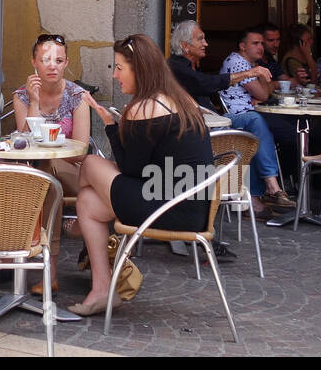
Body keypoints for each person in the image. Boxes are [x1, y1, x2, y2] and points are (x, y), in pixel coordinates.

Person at [68, 34, 215, 316]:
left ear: (139, 69)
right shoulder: (178, 98)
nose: (115, 75)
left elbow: (130, 170)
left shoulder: (145, 107)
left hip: (167, 206)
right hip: (190, 206)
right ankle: (102, 289)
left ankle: (77, 230)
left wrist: (111, 126)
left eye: (119, 67)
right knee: (87, 200)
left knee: (87, 163)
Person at [11, 33, 116, 291]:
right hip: (37, 173)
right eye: (45, 59)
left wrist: (49, 151)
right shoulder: (22, 96)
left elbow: (81, 148)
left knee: (49, 173)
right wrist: (34, 102)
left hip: (74, 171)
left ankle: (50, 271)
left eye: (58, 60)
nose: (52, 65)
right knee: (46, 177)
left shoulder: (77, 95)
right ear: (33, 61)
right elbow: (23, 142)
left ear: (66, 63)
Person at [167, 20, 295, 218]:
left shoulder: (188, 66)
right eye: (200, 39)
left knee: (253, 125)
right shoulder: (177, 67)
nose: (206, 43)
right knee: (251, 129)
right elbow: (207, 83)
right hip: (200, 130)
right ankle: (259, 194)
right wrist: (251, 72)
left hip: (215, 122)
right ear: (185, 45)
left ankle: (268, 187)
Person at [219, 28, 299, 173]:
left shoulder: (251, 64)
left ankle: (290, 177)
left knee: (294, 125)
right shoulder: (238, 62)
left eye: (262, 43)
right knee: (293, 134)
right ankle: (291, 177)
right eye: (255, 43)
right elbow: (263, 94)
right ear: (243, 46)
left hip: (254, 112)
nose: (261, 47)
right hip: (243, 116)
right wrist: (261, 74)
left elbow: (264, 92)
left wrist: (261, 75)